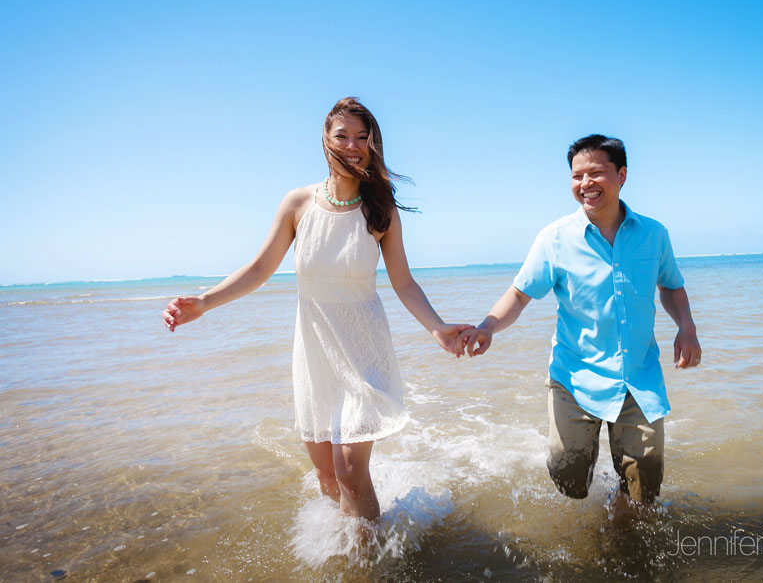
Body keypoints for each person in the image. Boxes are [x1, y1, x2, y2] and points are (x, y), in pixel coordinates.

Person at [162, 97, 471, 521]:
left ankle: (369, 555)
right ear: (325, 140)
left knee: (350, 472)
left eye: (362, 137)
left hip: (363, 351)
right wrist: (204, 302)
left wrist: (437, 328)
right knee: (327, 476)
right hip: (314, 352)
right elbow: (260, 268)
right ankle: (348, 541)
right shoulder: (298, 203)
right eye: (342, 136)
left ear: (373, 145)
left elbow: (404, 282)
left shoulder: (380, 209)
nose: (352, 146)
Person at [461, 134, 701, 507]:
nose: (585, 183)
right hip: (575, 379)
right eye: (577, 176)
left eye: (596, 173)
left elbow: (671, 286)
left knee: (644, 490)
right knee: (569, 479)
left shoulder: (654, 234)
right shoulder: (554, 239)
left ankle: (621, 513)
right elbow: (520, 294)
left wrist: (686, 327)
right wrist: (487, 327)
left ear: (622, 175)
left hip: (638, 378)